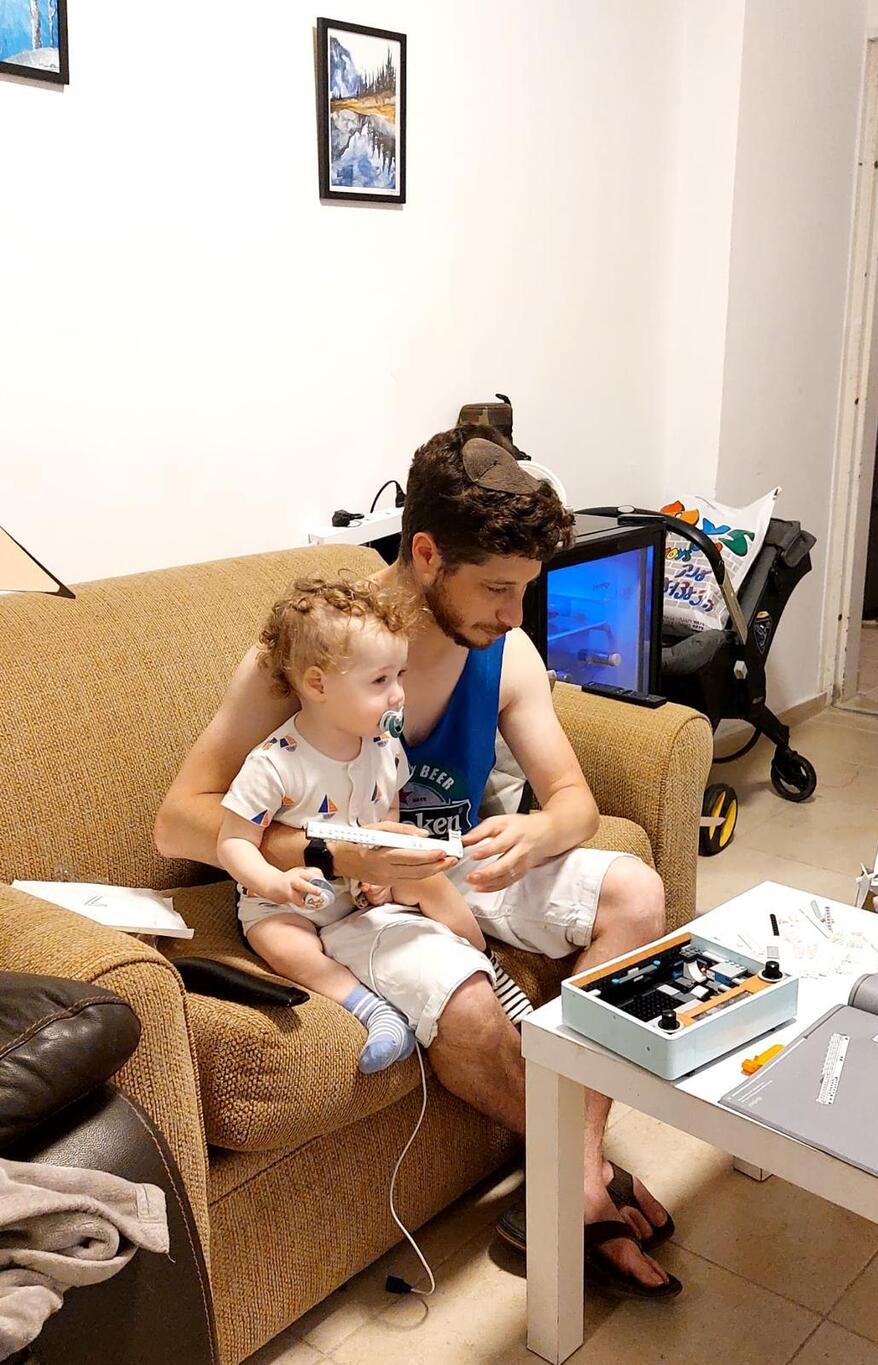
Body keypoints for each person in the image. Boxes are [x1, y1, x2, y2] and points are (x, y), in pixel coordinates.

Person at [155, 426, 679, 1297]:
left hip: (455, 863)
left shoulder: (504, 652)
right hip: (349, 891)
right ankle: (587, 1184)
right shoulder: (320, 652)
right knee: (466, 1002)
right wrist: (332, 847)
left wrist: (542, 832)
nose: (515, 615)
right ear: (427, 553)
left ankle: (574, 1174)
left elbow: (575, 801)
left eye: (523, 589)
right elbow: (178, 822)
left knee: (636, 890)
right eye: (498, 588)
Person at [218, 576, 527, 1076]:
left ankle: (491, 969)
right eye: (380, 681)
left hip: (364, 888)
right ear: (318, 685)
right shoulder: (274, 764)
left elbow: (388, 810)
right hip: (291, 900)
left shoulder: (383, 747)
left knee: (433, 879)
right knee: (280, 941)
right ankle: (370, 1009)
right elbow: (233, 841)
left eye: (400, 676)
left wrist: (387, 868)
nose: (399, 695)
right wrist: (274, 883)